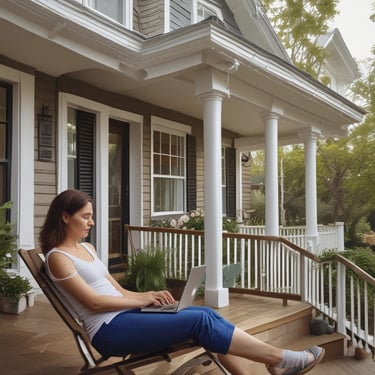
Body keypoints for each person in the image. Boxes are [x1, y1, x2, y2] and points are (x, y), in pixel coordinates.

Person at [39, 189, 325, 375]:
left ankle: (274, 363)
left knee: (206, 314)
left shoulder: (88, 250)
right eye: (85, 217)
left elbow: (117, 290)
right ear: (65, 217)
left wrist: (148, 295)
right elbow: (94, 302)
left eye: (91, 217)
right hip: (109, 331)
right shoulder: (58, 258)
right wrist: (144, 300)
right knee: (199, 324)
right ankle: (279, 358)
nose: (91, 222)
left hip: (126, 316)